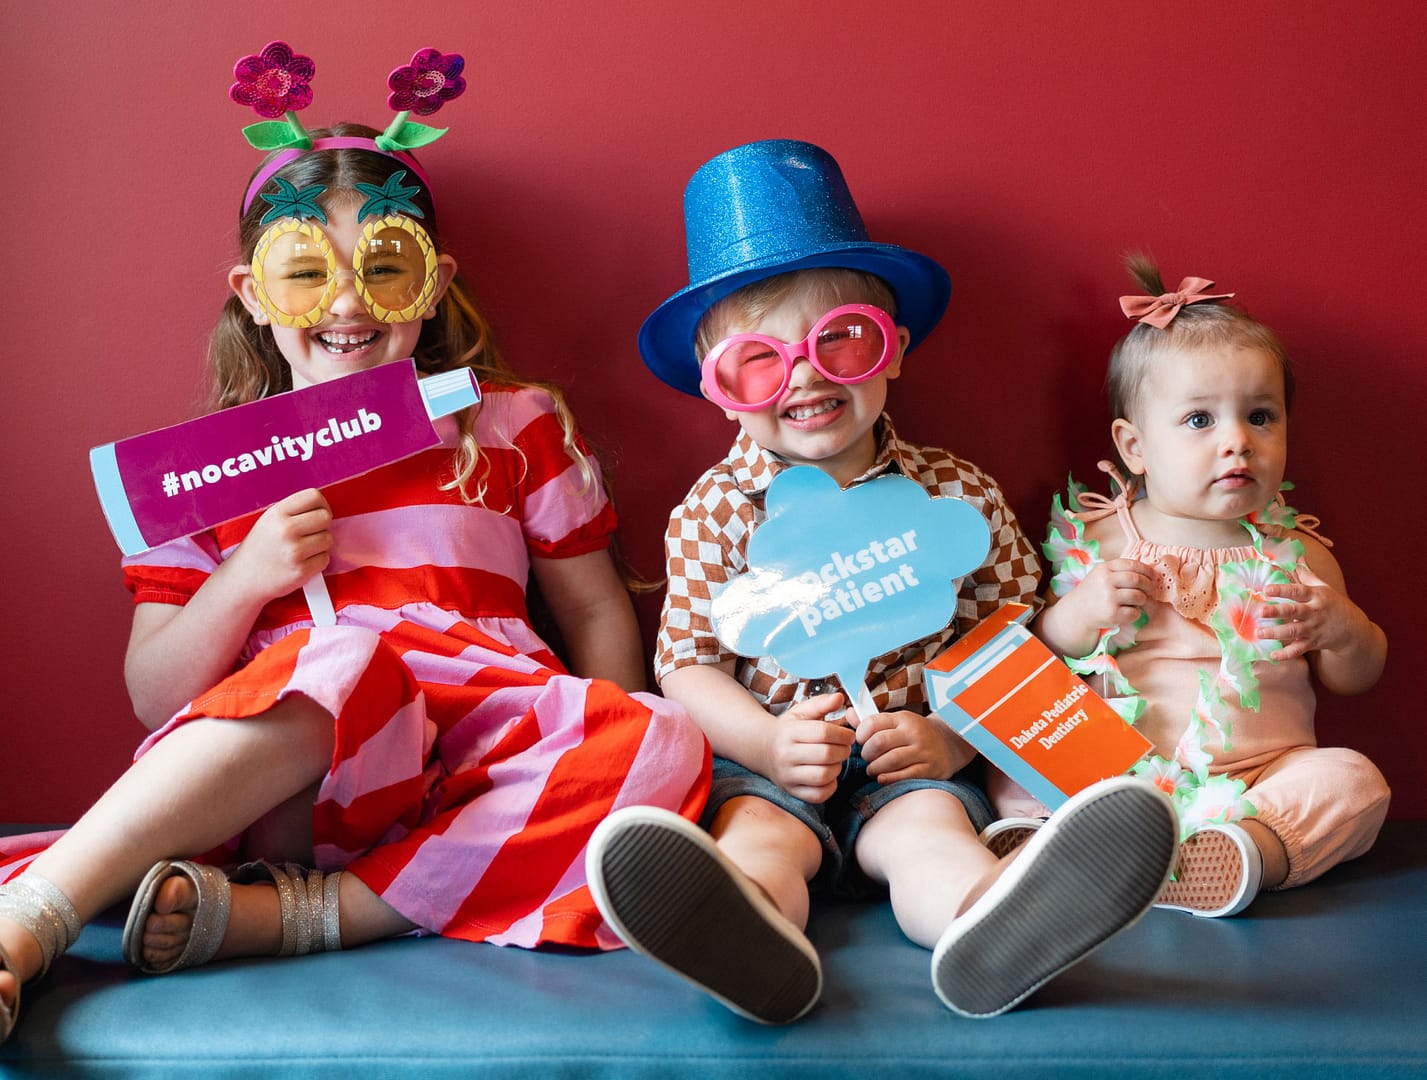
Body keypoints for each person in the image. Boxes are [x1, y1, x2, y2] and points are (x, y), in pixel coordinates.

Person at [0, 44, 709, 1046]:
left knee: (665, 737)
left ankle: (301, 919)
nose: (347, 303)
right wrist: (246, 579)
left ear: (431, 284)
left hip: (482, 768)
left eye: (385, 268)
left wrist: (610, 717)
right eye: (307, 273)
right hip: (300, 775)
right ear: (254, 293)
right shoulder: (207, 475)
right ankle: (30, 919)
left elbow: (593, 606)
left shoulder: (510, 424)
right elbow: (158, 693)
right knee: (346, 656)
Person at [583, 139, 1179, 1024]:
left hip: (914, 760)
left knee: (928, 838)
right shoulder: (712, 511)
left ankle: (992, 926)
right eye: (759, 359)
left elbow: (1016, 638)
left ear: (892, 351)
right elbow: (687, 666)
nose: (806, 377)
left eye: (842, 342)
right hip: (778, 768)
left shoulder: (954, 492)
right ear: (717, 391)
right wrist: (764, 744)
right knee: (758, 843)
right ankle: (747, 944)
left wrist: (947, 739)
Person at [1033, 258, 1390, 918]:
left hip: (1260, 778)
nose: (1237, 443)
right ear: (1134, 447)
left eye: (1260, 416)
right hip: (1116, 781)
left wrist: (1341, 628)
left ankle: (1232, 857)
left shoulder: (1298, 554)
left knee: (1354, 783)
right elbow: (1038, 662)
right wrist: (1073, 617)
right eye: (1199, 421)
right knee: (1017, 768)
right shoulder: (1100, 540)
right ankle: (1041, 846)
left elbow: (1355, 676)